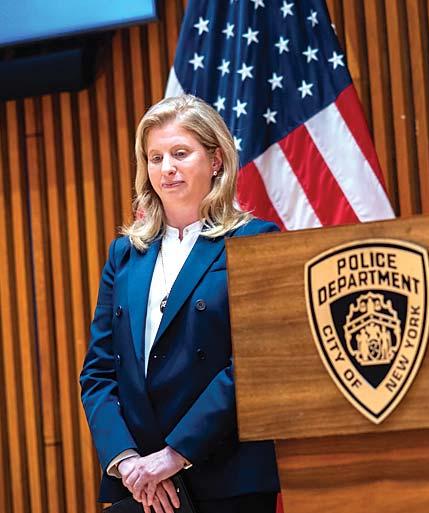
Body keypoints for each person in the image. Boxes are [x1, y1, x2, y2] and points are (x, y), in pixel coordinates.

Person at [80, 95, 280, 513]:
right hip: (140, 486)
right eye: (155, 157)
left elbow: (255, 364)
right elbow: (99, 372)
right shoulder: (125, 254)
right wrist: (128, 462)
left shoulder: (254, 241)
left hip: (226, 477)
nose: (166, 168)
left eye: (180, 153)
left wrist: (174, 455)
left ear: (216, 160)